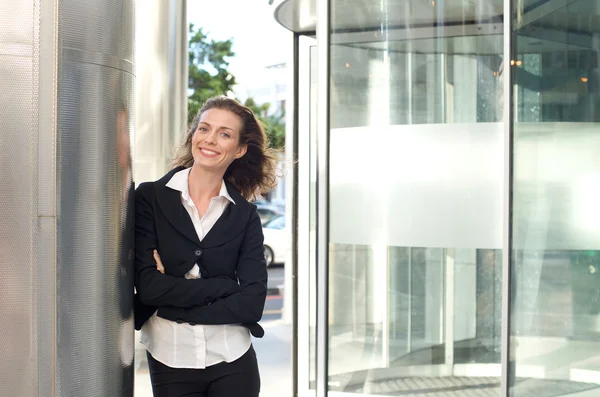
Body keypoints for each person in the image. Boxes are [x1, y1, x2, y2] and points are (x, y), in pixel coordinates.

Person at [134, 96, 279, 397]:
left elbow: (252, 303)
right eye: (204, 129)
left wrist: (173, 301)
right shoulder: (150, 198)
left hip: (233, 358)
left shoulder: (245, 215)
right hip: (170, 357)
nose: (210, 139)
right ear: (193, 135)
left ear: (239, 150)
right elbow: (149, 288)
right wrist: (226, 286)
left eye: (224, 134)